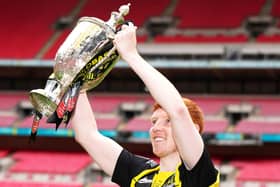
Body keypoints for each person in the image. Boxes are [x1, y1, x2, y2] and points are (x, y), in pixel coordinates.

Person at [71, 23, 220, 187]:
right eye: (154, 121)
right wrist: (77, 82)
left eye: (168, 121)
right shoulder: (139, 172)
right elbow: (86, 135)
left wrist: (130, 55)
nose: (156, 128)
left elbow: (177, 110)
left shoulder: (201, 174)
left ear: (195, 129)